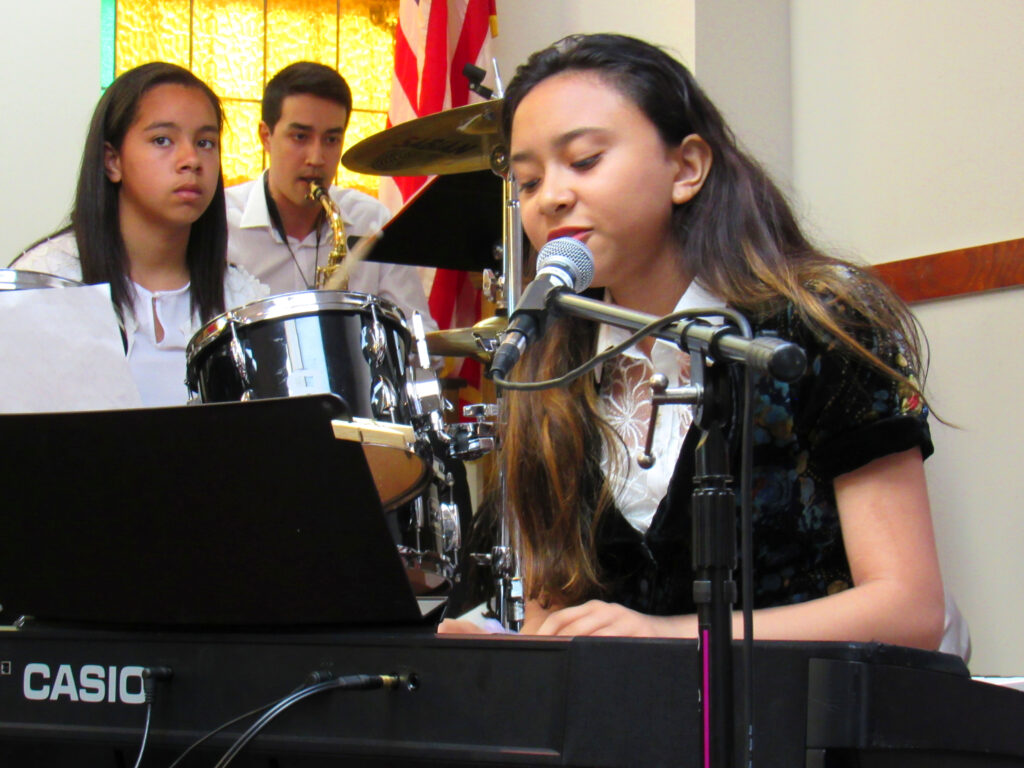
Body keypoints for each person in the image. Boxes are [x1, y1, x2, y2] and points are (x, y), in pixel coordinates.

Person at [442, 33, 955, 653]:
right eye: (527, 181)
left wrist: (667, 638)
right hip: (631, 711)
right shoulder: (549, 360)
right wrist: (508, 653)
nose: (550, 197)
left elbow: (909, 608)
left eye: (584, 160)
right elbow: (556, 613)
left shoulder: (825, 319)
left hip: (807, 707)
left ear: (686, 168)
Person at [14, 62, 267, 407]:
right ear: (112, 161)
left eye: (205, 142)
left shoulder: (240, 299)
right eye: (162, 140)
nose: (191, 160)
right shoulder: (49, 282)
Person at [225, 61, 436, 331]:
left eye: (331, 140)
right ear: (266, 137)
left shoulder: (373, 222)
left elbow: (419, 332)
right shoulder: (221, 224)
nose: (316, 158)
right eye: (300, 137)